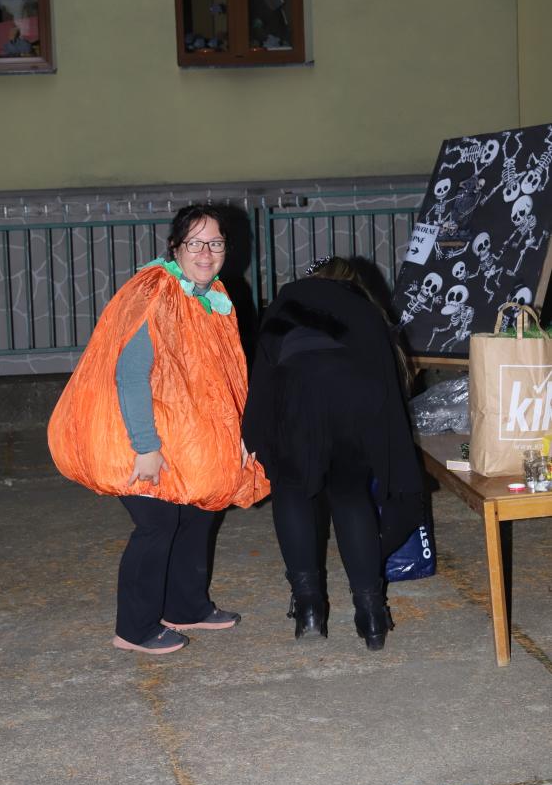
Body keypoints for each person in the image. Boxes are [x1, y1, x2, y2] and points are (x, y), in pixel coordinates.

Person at [48, 204, 269, 655]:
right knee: (158, 524)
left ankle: (185, 606)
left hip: (183, 434)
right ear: (175, 247)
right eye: (195, 243)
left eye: (215, 243)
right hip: (135, 434)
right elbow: (130, 375)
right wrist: (145, 447)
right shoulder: (155, 294)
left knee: (199, 511)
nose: (205, 253)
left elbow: (219, 377)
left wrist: (240, 435)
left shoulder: (211, 295)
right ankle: (134, 629)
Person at [242, 256, 423, 651]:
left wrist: (252, 434)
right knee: (349, 492)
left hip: (297, 392)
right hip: (354, 400)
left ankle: (309, 607)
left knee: (292, 488)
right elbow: (385, 379)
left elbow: (265, 369)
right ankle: (371, 614)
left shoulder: (290, 297)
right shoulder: (364, 307)